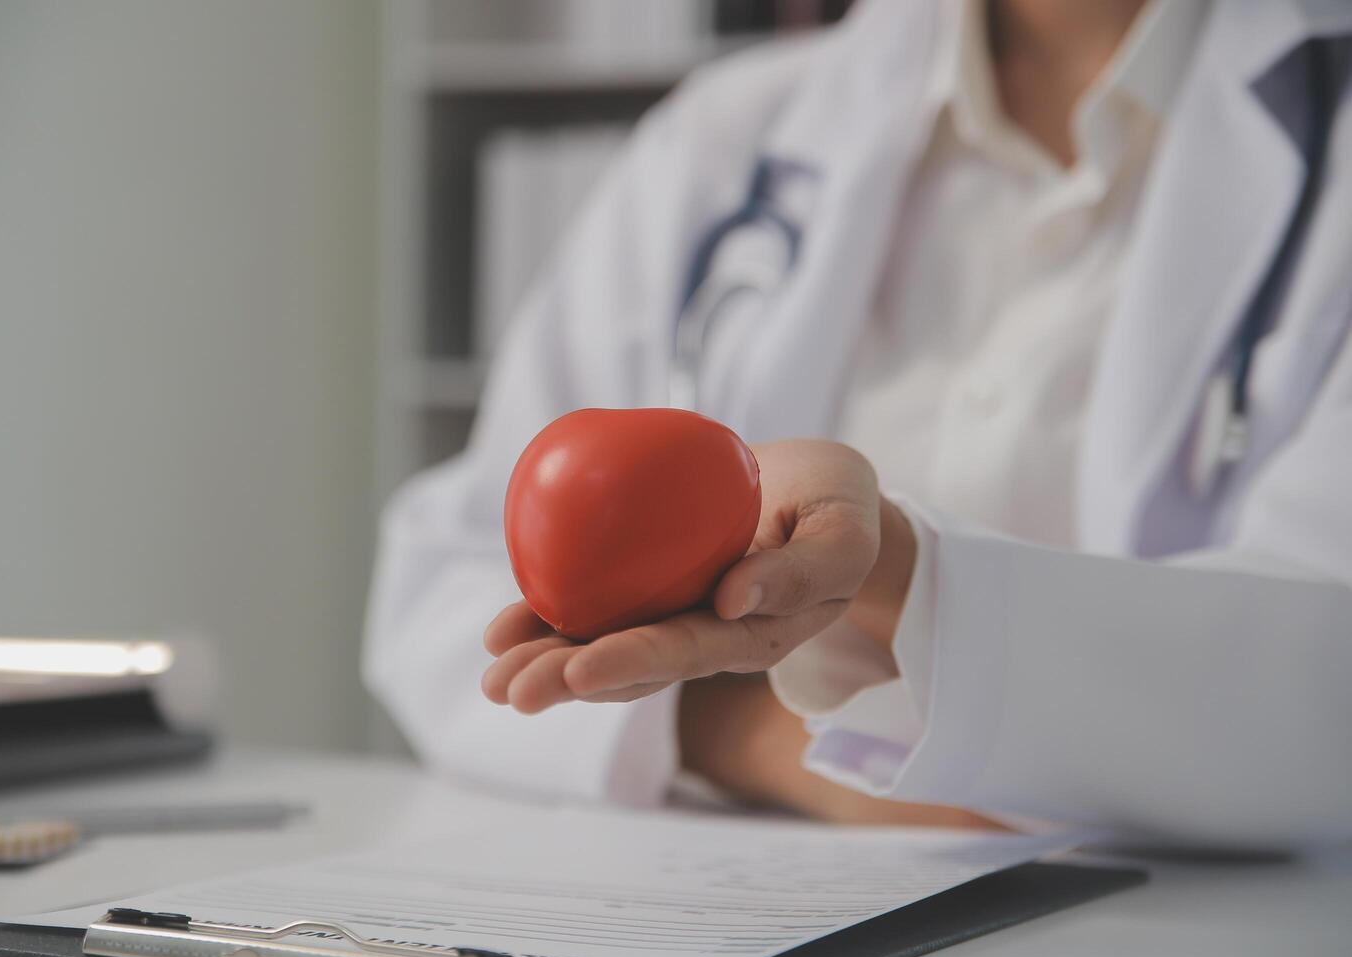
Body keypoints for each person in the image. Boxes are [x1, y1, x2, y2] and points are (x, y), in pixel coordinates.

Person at [366, 0, 1352, 845]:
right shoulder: (730, 133)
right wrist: (791, 747)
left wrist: (895, 572)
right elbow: (440, 589)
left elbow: (1323, 690)